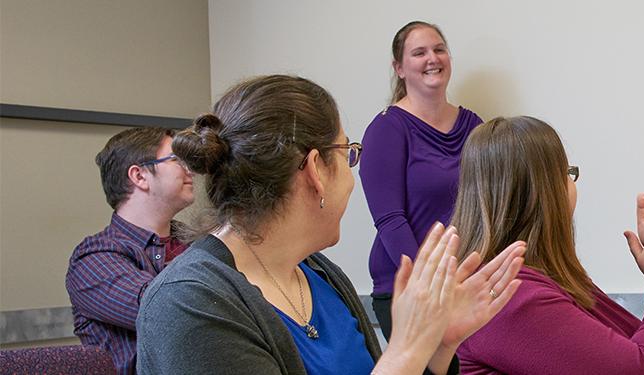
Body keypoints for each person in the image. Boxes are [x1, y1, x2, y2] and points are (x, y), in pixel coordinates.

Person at [135, 75, 524, 375]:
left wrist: (435, 349)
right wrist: (407, 349)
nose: (352, 177)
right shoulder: (187, 303)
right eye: (348, 153)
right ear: (316, 170)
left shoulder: (320, 275)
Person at [450, 116, 644, 374]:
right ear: (545, 191)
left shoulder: (542, 279)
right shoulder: (509, 294)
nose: (572, 185)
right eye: (567, 173)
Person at [361, 20, 486, 338]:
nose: (433, 58)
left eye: (439, 49)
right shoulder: (386, 129)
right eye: (419, 52)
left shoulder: (475, 126)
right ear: (399, 68)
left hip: (465, 284)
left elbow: (490, 206)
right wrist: (433, 284)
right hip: (408, 289)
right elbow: (390, 221)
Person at [65, 126, 195, 375]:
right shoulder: (94, 259)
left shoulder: (195, 243)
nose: (190, 170)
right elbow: (172, 313)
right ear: (139, 176)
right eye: (177, 160)